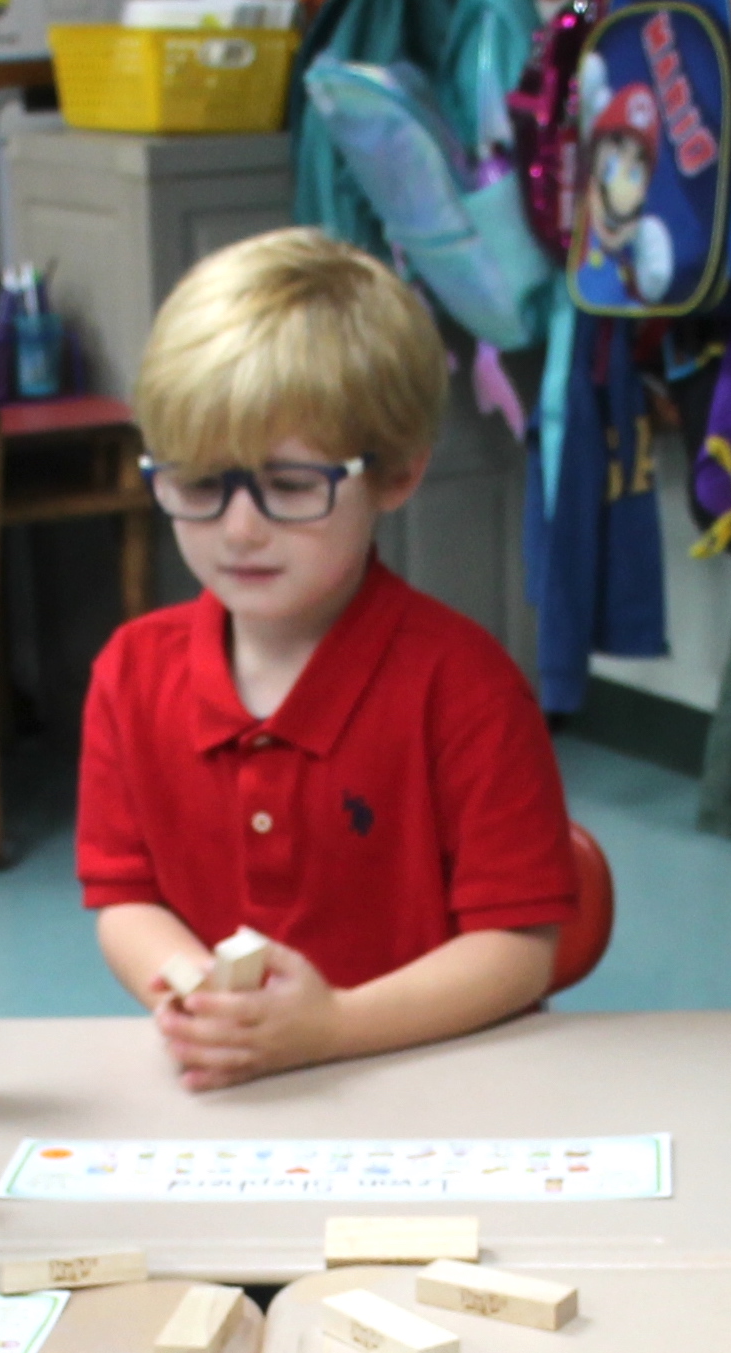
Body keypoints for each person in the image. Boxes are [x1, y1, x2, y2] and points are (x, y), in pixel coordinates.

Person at [80, 229, 580, 1093]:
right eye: (200, 485)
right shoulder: (130, 674)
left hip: (430, 1087)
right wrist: (203, 1003)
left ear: (396, 475)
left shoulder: (465, 689)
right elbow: (126, 901)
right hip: (240, 1095)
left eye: (291, 485)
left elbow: (520, 952)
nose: (240, 528)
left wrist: (333, 1027)